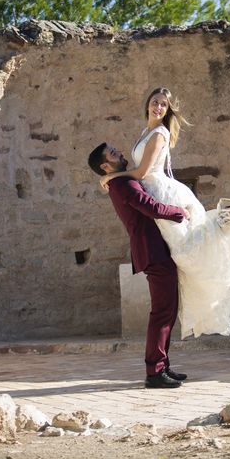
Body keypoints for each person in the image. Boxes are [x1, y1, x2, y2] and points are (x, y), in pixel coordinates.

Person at [99, 87, 230, 339]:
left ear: (167, 110)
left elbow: (141, 173)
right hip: (153, 191)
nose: (158, 107)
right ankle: (222, 221)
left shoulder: (160, 133)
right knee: (180, 251)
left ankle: (225, 220)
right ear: (147, 105)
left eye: (163, 104)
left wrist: (112, 175)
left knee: (187, 249)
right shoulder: (145, 131)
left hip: (161, 192)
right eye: (155, 102)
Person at [88, 142, 189, 389]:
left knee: (167, 311)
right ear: (105, 165)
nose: (120, 152)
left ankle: (162, 366)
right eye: (113, 153)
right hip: (152, 251)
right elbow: (150, 207)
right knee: (162, 313)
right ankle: (154, 372)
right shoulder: (122, 184)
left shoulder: (119, 181)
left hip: (155, 251)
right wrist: (180, 212)